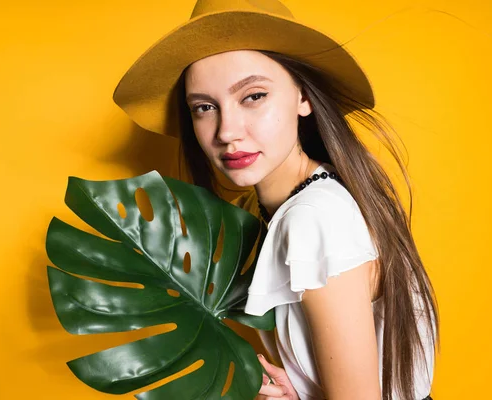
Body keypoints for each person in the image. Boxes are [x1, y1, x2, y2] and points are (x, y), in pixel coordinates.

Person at [112, 1, 440, 399]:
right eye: (204, 107)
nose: (227, 131)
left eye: (253, 96)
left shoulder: (313, 217)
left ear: (303, 97)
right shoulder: (312, 196)